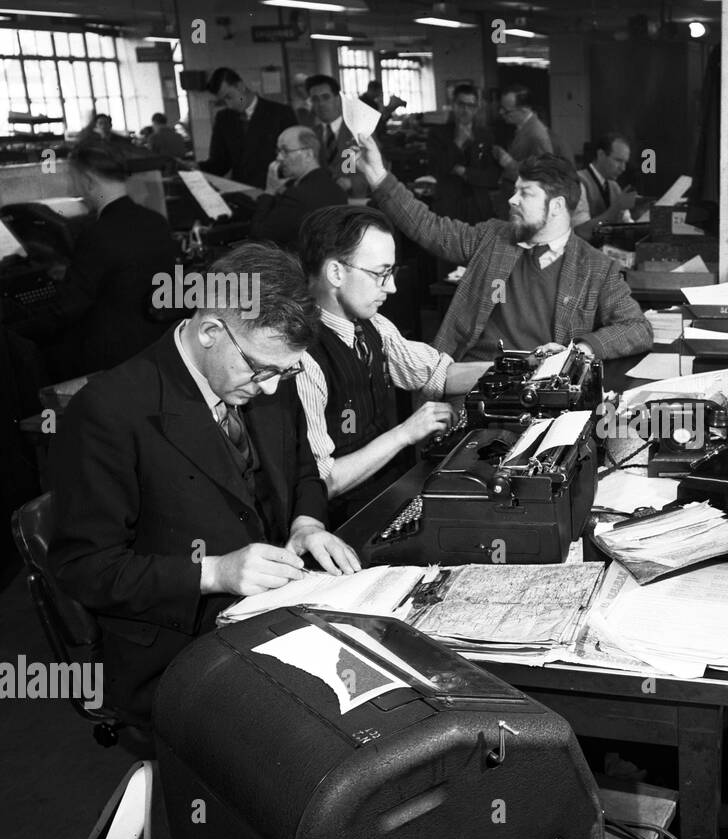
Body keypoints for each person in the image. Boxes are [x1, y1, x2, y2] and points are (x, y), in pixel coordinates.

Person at [47, 243, 359, 732]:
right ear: (212, 330)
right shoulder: (110, 410)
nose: (273, 388)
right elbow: (83, 569)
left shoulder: (268, 367)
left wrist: (306, 523)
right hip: (176, 647)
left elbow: (303, 468)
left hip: (267, 613)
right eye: (262, 370)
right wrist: (214, 572)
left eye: (286, 371)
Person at [355, 135, 652, 362]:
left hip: (543, 392)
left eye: (525, 193)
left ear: (557, 206)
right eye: (514, 191)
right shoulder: (493, 237)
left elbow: (637, 328)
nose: (512, 200)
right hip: (472, 381)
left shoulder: (597, 267)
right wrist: (380, 178)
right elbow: (428, 227)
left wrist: (582, 349)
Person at [295, 205, 492, 521]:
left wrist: (524, 366)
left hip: (390, 495)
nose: (392, 287)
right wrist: (405, 433)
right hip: (341, 522)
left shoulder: (374, 326)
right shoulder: (301, 356)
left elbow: (439, 373)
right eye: (380, 273)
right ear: (335, 273)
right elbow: (323, 482)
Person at [12, 138, 178, 379]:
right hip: (154, 346)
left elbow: (67, 310)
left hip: (109, 358)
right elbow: (124, 274)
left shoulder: (98, 234)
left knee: (33, 358)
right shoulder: (157, 222)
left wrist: (16, 332)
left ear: (88, 182)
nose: (73, 190)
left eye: (74, 180)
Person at [248, 126, 347, 249]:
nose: (279, 158)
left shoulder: (297, 196)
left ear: (308, 155)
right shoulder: (337, 189)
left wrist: (269, 191)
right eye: (278, 151)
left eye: (285, 151)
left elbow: (258, 235)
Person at [199, 67, 297, 188]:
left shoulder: (280, 113)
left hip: (275, 191)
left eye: (229, 97)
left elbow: (294, 158)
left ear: (240, 86)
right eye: (223, 101)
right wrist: (196, 168)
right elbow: (219, 163)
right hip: (242, 193)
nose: (229, 105)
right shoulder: (224, 119)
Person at [425, 83, 499, 225]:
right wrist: (457, 143)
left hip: (479, 205)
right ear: (453, 105)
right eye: (461, 105)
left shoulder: (485, 135)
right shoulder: (437, 134)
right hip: (448, 205)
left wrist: (464, 171)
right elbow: (437, 169)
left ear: (476, 108)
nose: (465, 110)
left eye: (470, 106)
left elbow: (492, 176)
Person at [306, 73, 367, 199]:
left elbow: (379, 170)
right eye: (315, 99)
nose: (321, 104)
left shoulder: (358, 130)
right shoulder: (310, 134)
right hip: (321, 202)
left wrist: (351, 182)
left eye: (326, 97)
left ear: (338, 99)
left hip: (354, 201)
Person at [573, 133, 637, 239]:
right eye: (618, 161)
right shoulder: (578, 182)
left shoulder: (614, 186)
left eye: (625, 162)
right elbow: (581, 232)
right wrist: (616, 208)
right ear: (601, 155)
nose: (623, 168)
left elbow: (628, 223)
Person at [493, 85, 553, 181]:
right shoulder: (520, 127)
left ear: (524, 110)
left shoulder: (536, 134)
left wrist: (509, 163)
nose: (501, 112)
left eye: (506, 111)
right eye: (501, 108)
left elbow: (543, 175)